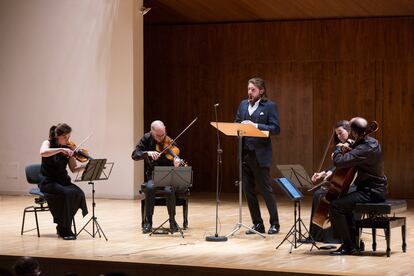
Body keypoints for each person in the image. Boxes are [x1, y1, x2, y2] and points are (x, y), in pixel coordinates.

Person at [329, 117, 387, 255]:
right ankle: (354, 243)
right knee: (344, 204)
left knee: (336, 206)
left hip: (371, 192)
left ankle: (348, 246)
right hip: (376, 188)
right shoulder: (372, 142)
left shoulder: (364, 148)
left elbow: (340, 162)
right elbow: (356, 151)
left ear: (354, 132)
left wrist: (338, 150)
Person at [235, 77, 281, 235]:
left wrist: (256, 126)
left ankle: (274, 223)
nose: (249, 92)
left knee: (266, 190)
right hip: (245, 154)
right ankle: (257, 223)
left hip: (261, 155)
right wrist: (239, 127)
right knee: (248, 190)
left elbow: (275, 128)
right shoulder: (242, 104)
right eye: (248, 89)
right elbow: (237, 122)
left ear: (261, 91)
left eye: (253, 89)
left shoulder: (269, 106)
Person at [131, 120, 185, 234]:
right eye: (158, 135)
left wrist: (176, 164)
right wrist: (147, 153)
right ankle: (148, 222)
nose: (161, 138)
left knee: (169, 190)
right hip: (153, 176)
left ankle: (172, 221)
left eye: (163, 135)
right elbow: (134, 155)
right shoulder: (146, 138)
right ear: (152, 131)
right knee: (150, 188)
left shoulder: (169, 141)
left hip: (168, 175)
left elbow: (176, 158)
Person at [307, 120, 353, 244]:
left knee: (322, 195)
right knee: (317, 194)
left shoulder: (353, 147)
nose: (338, 136)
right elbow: (336, 165)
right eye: (337, 134)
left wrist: (331, 172)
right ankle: (315, 234)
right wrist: (323, 173)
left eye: (340, 133)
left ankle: (331, 235)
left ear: (349, 131)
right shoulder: (342, 147)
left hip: (352, 184)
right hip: (342, 181)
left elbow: (346, 165)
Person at [39, 123, 88, 240]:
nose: (68, 140)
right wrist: (61, 149)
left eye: (69, 137)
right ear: (57, 136)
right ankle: (65, 228)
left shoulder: (69, 149)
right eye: (65, 137)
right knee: (67, 194)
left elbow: (74, 169)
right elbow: (42, 152)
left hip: (63, 181)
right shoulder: (48, 143)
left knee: (79, 193)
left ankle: (62, 225)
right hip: (48, 182)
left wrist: (86, 166)